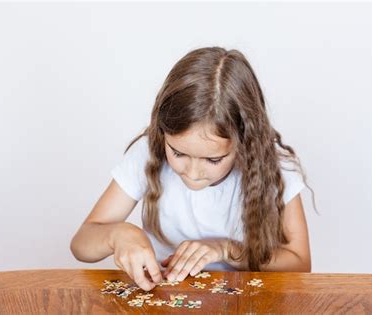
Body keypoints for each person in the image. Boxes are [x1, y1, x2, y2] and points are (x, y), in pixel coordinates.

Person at [70, 46, 318, 292]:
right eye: (177, 153)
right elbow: (81, 245)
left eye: (212, 160)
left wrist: (224, 249)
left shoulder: (275, 166)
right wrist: (117, 234)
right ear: (162, 132)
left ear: (244, 143)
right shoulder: (147, 153)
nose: (193, 172)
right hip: (165, 298)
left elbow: (299, 263)